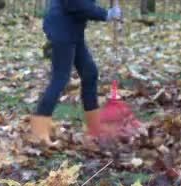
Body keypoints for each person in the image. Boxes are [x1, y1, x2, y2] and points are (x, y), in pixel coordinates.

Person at [30, 0, 122, 144]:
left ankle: (95, 127)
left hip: (73, 29)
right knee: (60, 79)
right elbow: (77, 4)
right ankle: (38, 131)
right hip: (62, 29)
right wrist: (106, 14)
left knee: (90, 73)